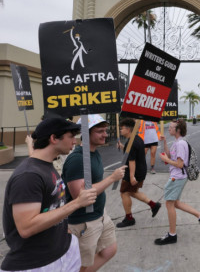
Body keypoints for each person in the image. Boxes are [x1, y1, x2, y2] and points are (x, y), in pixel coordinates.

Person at [1, 117, 97, 271]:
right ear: (53, 138)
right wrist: (77, 203)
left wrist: (65, 232)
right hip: (37, 263)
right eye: (71, 136)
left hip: (61, 252)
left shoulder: (45, 166)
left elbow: (53, 206)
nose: (75, 141)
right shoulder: (28, 175)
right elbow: (26, 227)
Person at [62, 114, 127, 272]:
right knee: (81, 265)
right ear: (86, 133)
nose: (105, 134)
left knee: (109, 250)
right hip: (83, 221)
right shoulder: (77, 160)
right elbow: (81, 196)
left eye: (105, 130)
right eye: (100, 131)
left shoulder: (94, 152)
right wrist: (112, 178)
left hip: (99, 214)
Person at [155, 119, 200, 245]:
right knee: (176, 203)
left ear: (178, 130)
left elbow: (179, 164)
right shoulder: (177, 142)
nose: (169, 128)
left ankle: (172, 235)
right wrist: (165, 143)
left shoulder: (180, 144)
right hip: (177, 176)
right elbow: (170, 155)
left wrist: (165, 159)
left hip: (177, 177)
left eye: (171, 127)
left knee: (169, 204)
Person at [115, 118, 162, 228]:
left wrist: (131, 176)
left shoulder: (131, 143)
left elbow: (132, 161)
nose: (121, 131)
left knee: (124, 193)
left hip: (134, 172)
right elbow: (131, 153)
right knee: (132, 191)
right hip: (141, 170)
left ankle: (129, 218)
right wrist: (122, 146)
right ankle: (153, 205)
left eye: (122, 128)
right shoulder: (138, 139)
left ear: (128, 129)